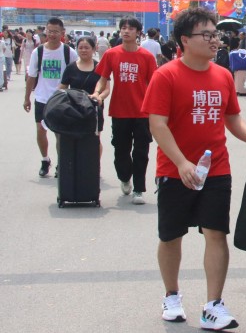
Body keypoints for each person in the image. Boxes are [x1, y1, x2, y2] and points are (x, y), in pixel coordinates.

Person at [142, 7, 246, 331]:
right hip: (174, 170)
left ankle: (213, 306)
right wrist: (182, 162)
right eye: (206, 34)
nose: (214, 40)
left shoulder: (222, 75)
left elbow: (232, 118)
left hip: (216, 169)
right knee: (171, 236)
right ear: (185, 40)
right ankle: (171, 296)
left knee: (216, 232)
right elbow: (157, 124)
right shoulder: (166, 76)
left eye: (215, 34)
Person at [92, 17, 157, 205]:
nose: (126, 31)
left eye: (131, 28)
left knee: (141, 152)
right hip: (119, 111)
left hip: (142, 112)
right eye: (123, 28)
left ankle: (138, 189)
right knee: (121, 150)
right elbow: (103, 79)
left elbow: (154, 84)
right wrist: (97, 93)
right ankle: (124, 177)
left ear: (138, 32)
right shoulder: (111, 54)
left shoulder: (146, 57)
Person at [23, 17, 79, 177]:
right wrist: (27, 98)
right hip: (42, 98)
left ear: (62, 33)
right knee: (41, 130)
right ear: (45, 31)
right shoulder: (38, 52)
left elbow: (76, 74)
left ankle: (61, 163)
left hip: (61, 99)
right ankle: (45, 159)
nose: (52, 34)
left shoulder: (69, 52)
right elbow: (32, 76)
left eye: (56, 31)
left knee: (59, 133)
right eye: (50, 31)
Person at [59, 36, 108, 157]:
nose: (83, 50)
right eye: (80, 48)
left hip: (94, 109)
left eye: (87, 47)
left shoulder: (100, 66)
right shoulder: (71, 68)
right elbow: (62, 88)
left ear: (94, 49)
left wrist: (99, 97)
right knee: (75, 139)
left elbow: (107, 89)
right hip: (74, 110)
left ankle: (95, 165)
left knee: (95, 139)